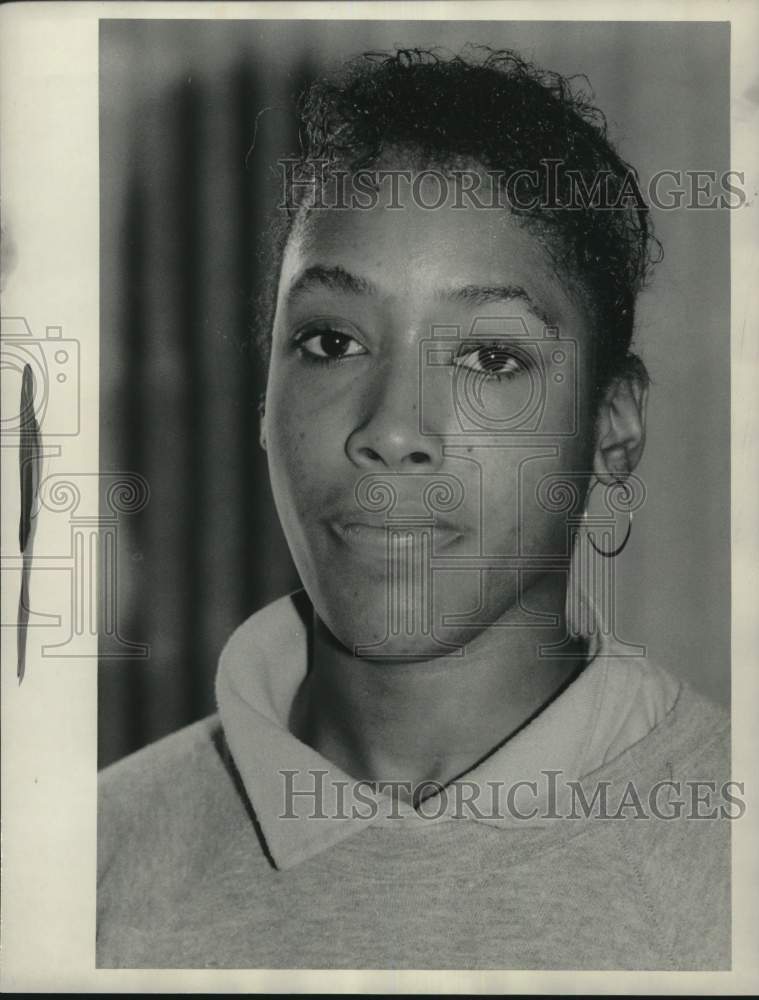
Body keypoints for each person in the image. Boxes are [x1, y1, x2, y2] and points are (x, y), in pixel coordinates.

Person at [97, 47, 732, 970]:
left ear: (611, 427)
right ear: (263, 403)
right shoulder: (90, 865)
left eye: (486, 358)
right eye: (330, 341)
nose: (392, 428)